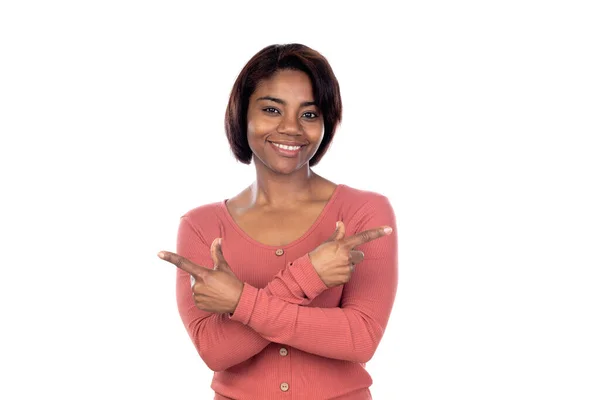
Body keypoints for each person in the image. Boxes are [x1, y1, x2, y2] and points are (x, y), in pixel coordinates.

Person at [157, 43, 398, 400]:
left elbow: (360, 339)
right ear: (242, 115)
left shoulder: (364, 212)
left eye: (309, 114)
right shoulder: (201, 226)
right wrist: (309, 276)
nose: (291, 128)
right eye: (272, 109)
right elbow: (215, 351)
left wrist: (239, 302)